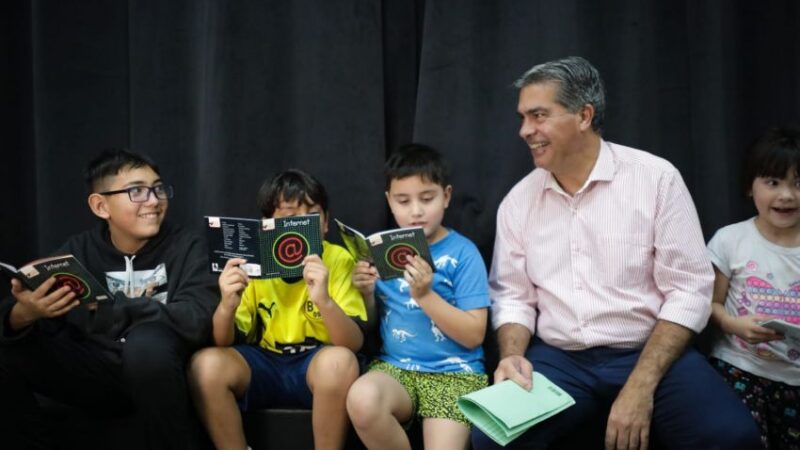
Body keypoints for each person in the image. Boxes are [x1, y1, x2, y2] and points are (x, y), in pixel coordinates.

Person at [471, 56, 762, 450]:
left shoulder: (656, 179)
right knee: (491, 438)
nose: (525, 130)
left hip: (649, 348)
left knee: (733, 438)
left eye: (538, 115)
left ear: (584, 115)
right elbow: (513, 296)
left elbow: (689, 289)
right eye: (523, 118)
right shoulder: (519, 201)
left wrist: (640, 385)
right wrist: (512, 356)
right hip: (561, 358)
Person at [0, 149, 218, 450]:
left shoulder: (187, 245)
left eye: (157, 189)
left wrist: (112, 307)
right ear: (101, 205)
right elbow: (21, 317)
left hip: (163, 373)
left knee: (147, 343)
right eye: (137, 192)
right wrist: (24, 313)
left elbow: (198, 317)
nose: (154, 201)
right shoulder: (80, 249)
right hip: (98, 374)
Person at [189, 169, 367, 450]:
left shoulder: (338, 258)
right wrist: (227, 304)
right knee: (205, 365)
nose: (299, 227)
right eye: (288, 218)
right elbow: (222, 342)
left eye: (311, 217)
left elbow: (352, 344)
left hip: (316, 363)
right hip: (265, 363)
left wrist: (324, 300)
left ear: (325, 224)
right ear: (267, 225)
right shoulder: (252, 261)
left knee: (339, 361)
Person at [346, 144, 490, 450]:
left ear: (446, 196)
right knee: (361, 399)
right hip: (396, 369)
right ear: (389, 202)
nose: (416, 211)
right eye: (403, 200)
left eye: (427, 199)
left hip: (455, 374)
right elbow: (372, 324)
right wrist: (368, 294)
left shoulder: (463, 253)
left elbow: (474, 334)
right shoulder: (381, 250)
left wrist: (425, 295)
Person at [706, 126, 800, 450]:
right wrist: (734, 325)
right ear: (750, 186)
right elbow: (710, 304)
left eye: (797, 183)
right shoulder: (730, 240)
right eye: (773, 183)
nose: (786, 195)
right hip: (740, 366)